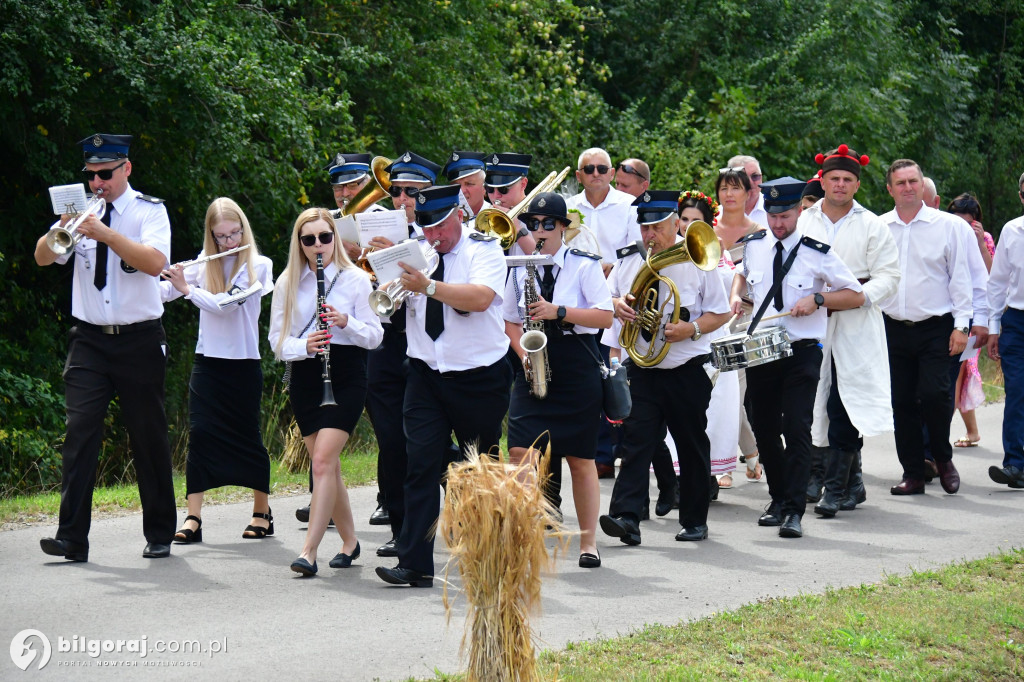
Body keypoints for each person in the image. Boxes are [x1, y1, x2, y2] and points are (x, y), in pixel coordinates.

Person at [33, 133, 176, 562]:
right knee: (79, 434)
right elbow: (43, 257)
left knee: (147, 435)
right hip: (90, 339)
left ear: (126, 168)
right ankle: (72, 538)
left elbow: (155, 264)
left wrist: (106, 233)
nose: (98, 182)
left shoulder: (149, 211)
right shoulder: (81, 213)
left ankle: (160, 531)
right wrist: (61, 230)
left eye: (106, 174)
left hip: (139, 338)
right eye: (91, 175)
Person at [376, 185, 511, 588]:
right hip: (425, 373)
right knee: (418, 464)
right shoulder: (417, 249)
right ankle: (415, 563)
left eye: (439, 227)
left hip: (478, 375)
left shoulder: (483, 248)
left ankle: (489, 553)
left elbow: (482, 298)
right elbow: (395, 302)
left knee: (480, 466)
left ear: (459, 214)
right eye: (426, 227)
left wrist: (429, 287)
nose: (434, 236)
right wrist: (392, 289)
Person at [730, 177, 864, 538]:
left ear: (799, 213)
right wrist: (735, 295)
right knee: (765, 428)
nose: (778, 224)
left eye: (786, 216)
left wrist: (819, 299)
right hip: (763, 348)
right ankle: (777, 498)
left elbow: (856, 295)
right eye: (773, 216)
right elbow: (741, 276)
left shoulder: (816, 251)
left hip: (802, 350)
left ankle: (794, 510)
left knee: (796, 428)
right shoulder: (756, 244)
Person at [599, 190, 731, 546]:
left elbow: (721, 312)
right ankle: (627, 517)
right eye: (644, 228)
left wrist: (692, 328)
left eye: (657, 227)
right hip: (643, 367)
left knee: (689, 443)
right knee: (636, 441)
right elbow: (605, 298)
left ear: (675, 223)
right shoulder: (629, 261)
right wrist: (617, 303)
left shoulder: (698, 260)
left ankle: (694, 520)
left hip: (686, 367)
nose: (649, 235)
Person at [269, 208, 383, 576]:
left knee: (320, 462)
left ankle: (309, 551)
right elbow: (275, 342)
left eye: (325, 237)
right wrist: (304, 346)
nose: (318, 245)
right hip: (306, 376)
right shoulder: (287, 282)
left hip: (347, 375)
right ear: (299, 244)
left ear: (335, 237)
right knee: (328, 467)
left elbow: (376, 336)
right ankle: (350, 542)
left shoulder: (354, 279)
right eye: (309, 239)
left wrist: (345, 322)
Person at [503, 192, 613, 567]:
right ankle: (528, 529)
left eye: (549, 224)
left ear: (564, 228)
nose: (540, 230)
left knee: (581, 459)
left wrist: (559, 311)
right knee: (520, 452)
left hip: (575, 365)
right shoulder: (519, 266)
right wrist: (523, 355)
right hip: (533, 363)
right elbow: (510, 321)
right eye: (533, 224)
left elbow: (604, 316)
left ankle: (587, 543)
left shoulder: (583, 265)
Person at [161, 198, 276, 543]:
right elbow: (164, 292)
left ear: (243, 229)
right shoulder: (203, 262)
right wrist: (154, 275)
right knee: (200, 434)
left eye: (234, 234)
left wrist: (186, 288)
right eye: (221, 237)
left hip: (243, 364)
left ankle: (262, 512)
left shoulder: (260, 265)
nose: (229, 243)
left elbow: (226, 305)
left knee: (247, 436)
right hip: (207, 362)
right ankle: (193, 517)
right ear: (211, 236)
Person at [798, 146, 900, 517]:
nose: (840, 185)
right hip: (807, 319)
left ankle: (836, 488)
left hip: (855, 322)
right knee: (811, 400)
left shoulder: (872, 224)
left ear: (857, 184)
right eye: (834, 178)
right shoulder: (804, 220)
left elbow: (890, 276)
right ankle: (849, 483)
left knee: (845, 402)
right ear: (822, 180)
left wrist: (858, 297)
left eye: (847, 179)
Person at [297, 152, 388, 528]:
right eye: (339, 186)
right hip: (338, 338)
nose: (346, 193)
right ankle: (324, 501)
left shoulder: (385, 222)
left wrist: (367, 257)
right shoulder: (325, 224)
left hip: (379, 327)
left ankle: (387, 498)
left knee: (385, 422)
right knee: (322, 426)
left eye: (353, 184)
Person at [878, 159, 975, 496]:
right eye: (900, 183)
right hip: (892, 327)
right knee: (902, 401)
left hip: (936, 326)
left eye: (913, 181)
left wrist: (962, 326)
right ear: (890, 189)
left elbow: (960, 278)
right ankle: (913, 472)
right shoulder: (879, 227)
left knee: (935, 394)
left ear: (922, 185)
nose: (907, 187)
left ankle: (942, 458)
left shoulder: (946, 226)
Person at [370, 151, 441, 559]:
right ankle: (401, 531)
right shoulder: (376, 227)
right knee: (392, 442)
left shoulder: (441, 233)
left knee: (422, 446)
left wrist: (397, 253)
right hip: (384, 340)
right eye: (396, 191)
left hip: (425, 347)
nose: (402, 199)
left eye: (411, 192)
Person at [567, 147, 640, 480]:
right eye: (588, 169)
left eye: (602, 168)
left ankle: (625, 446)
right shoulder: (567, 207)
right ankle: (599, 453)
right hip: (580, 303)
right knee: (588, 377)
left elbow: (638, 251)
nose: (595, 173)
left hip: (618, 298)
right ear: (579, 175)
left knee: (618, 376)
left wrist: (609, 274)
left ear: (612, 173)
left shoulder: (629, 206)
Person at [678, 191, 740, 492]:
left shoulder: (718, 252)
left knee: (716, 409)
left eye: (696, 221)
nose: (689, 226)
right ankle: (680, 477)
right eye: (685, 219)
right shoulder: (670, 252)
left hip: (715, 334)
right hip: (683, 337)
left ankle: (710, 472)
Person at [714, 167, 764, 482]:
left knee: (734, 393)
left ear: (748, 193)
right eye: (724, 188)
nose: (730, 194)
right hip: (712, 322)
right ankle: (752, 453)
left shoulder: (761, 232)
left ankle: (725, 466)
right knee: (716, 391)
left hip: (747, 323)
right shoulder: (705, 231)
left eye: (736, 188)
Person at [947, 193, 995, 448]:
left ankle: (938, 433)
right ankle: (972, 431)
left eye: (967, 224)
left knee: (959, 373)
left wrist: (978, 243)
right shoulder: (944, 234)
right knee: (960, 374)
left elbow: (991, 274)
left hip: (974, 317)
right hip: (949, 311)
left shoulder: (983, 240)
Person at [986, 172, 1024, 489]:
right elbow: (997, 283)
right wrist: (994, 327)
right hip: (1017, 322)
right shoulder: (1013, 230)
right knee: (1017, 393)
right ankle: (1014, 464)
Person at [482, 151, 537, 256]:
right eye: (490, 189)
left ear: (523, 184)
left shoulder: (540, 215)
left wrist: (517, 229)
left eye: (503, 189)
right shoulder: (485, 215)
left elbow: (545, 260)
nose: (496, 196)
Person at [441, 150, 489, 220]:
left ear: (485, 187)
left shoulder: (499, 218)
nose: (461, 190)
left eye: (469, 184)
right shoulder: (443, 220)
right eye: (456, 185)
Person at [725, 154, 768, 228]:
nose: (750, 182)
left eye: (755, 176)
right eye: (743, 177)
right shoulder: (717, 215)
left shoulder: (777, 211)